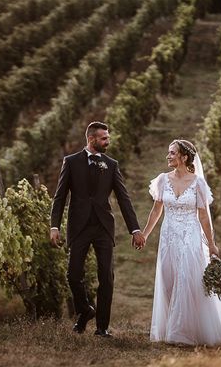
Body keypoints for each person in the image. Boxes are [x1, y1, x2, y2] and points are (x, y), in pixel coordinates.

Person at [142, 139, 221, 345]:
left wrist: (211, 244)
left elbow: (203, 216)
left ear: (184, 157)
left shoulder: (198, 183)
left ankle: (182, 332)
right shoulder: (162, 180)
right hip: (168, 237)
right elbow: (156, 210)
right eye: (169, 152)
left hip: (190, 237)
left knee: (186, 280)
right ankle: (170, 327)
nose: (168, 156)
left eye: (172, 153)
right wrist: (146, 235)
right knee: (168, 280)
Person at [50, 121, 145, 337]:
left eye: (108, 138)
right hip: (79, 227)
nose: (107, 142)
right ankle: (85, 310)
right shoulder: (71, 162)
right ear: (91, 139)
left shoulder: (111, 165)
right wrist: (54, 226)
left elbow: (124, 198)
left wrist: (135, 230)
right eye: (104, 138)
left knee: (107, 277)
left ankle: (102, 328)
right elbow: (60, 196)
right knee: (73, 275)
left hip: (103, 227)